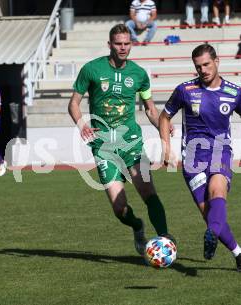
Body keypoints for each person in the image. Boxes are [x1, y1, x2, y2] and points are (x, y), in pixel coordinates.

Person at [68, 24, 175, 256]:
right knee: (119, 208)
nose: (123, 47)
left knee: (148, 192)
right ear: (110, 45)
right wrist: (82, 125)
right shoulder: (91, 69)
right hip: (103, 146)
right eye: (118, 43)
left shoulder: (139, 74)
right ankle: (137, 226)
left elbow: (150, 109)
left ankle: (165, 237)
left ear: (131, 44)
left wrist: (162, 126)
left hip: (132, 143)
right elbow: (73, 103)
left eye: (127, 43)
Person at [159, 44, 241, 272]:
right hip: (192, 158)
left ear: (217, 61)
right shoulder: (185, 90)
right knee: (210, 215)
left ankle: (213, 234)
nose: (203, 70)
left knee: (218, 191)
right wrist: (165, 146)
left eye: (207, 64)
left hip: (220, 151)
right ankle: (239, 254)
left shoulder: (234, 92)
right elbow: (164, 116)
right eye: (198, 66)